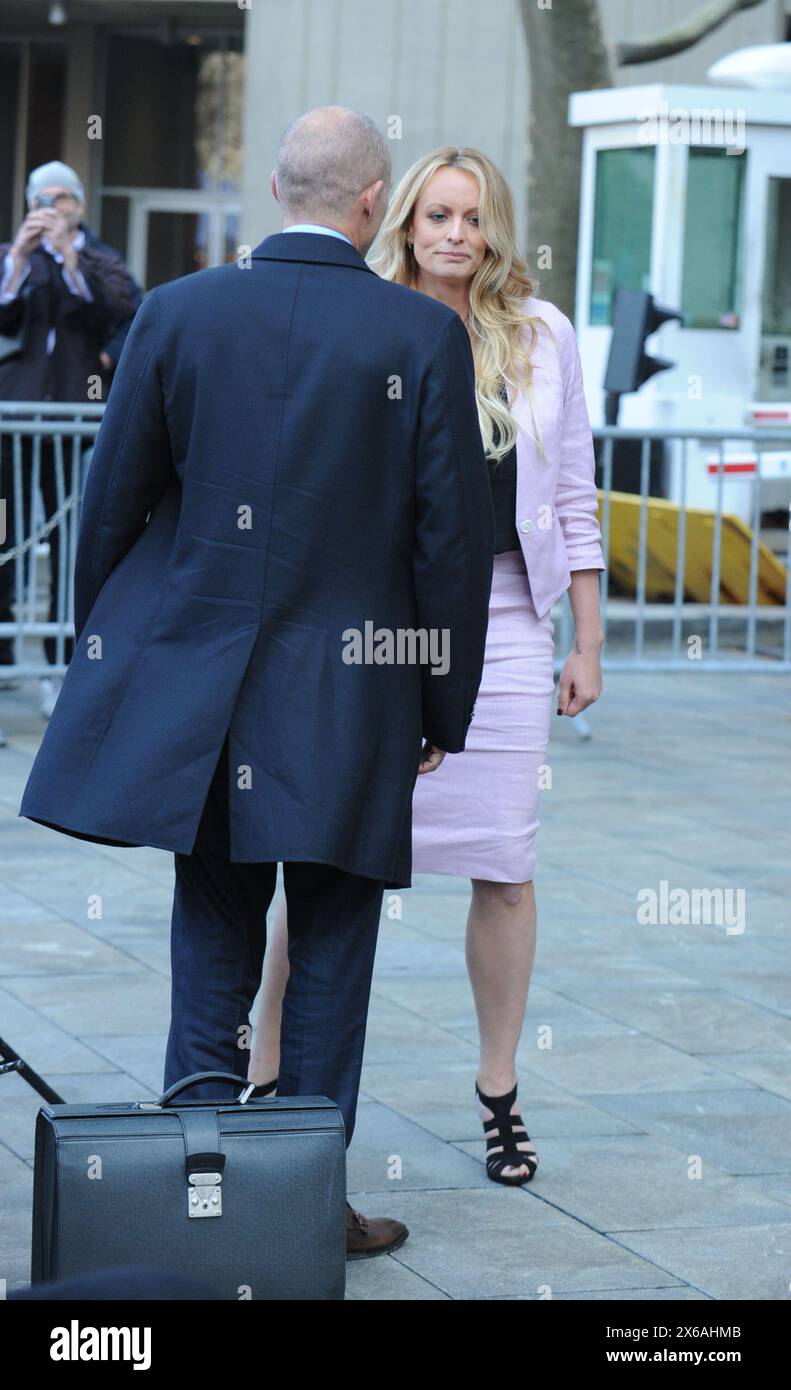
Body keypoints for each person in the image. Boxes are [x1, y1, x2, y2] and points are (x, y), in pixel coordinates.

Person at [18, 110, 495, 1258]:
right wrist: (440, 704)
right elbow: (449, 545)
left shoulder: (177, 313)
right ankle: (303, 1208)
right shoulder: (416, 336)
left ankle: (198, 1192)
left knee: (214, 933)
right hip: (356, 693)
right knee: (331, 949)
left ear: (273, 187)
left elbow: (111, 511)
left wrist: (121, 666)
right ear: (372, 202)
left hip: (204, 692)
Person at [247, 145, 605, 1187]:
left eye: (473, 217)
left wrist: (585, 636)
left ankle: (499, 1093)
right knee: (322, 855)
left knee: (503, 864)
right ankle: (270, 1081)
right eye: (435, 215)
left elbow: (575, 492)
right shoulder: (369, 320)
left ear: (495, 230)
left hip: (501, 619)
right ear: (400, 220)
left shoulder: (542, 336)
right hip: (376, 621)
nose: (455, 234)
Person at [0, 160, 140, 715]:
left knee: (67, 543)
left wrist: (70, 256)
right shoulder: (21, 256)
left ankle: (62, 662)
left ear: (79, 204)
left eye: (64, 198)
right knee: (6, 535)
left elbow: (125, 308)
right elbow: (5, 322)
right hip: (19, 415)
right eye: (44, 199)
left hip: (75, 422)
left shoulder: (100, 257)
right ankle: (7, 655)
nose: (55, 208)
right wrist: (16, 258)